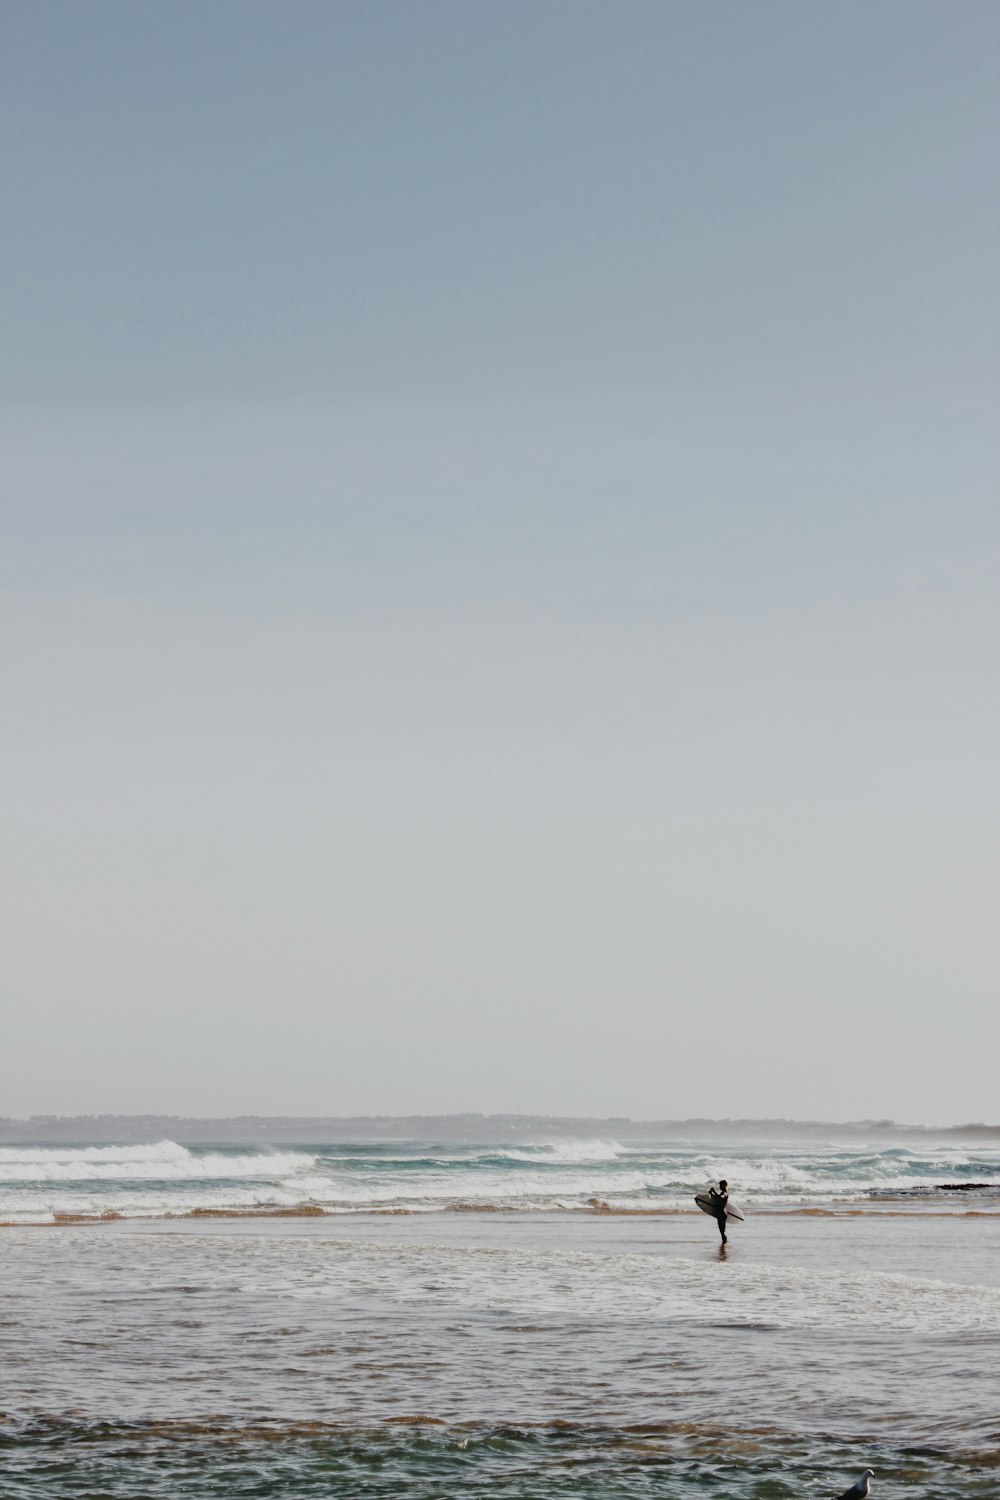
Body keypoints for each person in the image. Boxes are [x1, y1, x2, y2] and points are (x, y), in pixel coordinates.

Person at [708, 1179, 729, 1245]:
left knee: (722, 1231)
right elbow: (718, 1199)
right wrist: (712, 1193)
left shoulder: (725, 1193)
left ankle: (724, 1244)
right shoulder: (723, 1192)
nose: (720, 1186)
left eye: (721, 1185)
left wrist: (714, 1191)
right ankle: (724, 1243)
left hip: (722, 1214)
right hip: (722, 1213)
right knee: (722, 1231)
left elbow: (721, 1197)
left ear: (724, 1185)